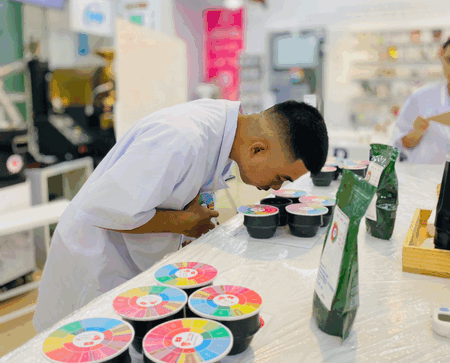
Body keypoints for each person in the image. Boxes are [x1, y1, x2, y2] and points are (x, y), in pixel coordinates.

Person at [33, 98, 328, 332]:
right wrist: (183, 223)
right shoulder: (182, 139)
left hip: (126, 260)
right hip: (94, 263)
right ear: (258, 149)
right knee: (78, 355)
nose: (276, 187)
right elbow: (111, 210)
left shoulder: (223, 133)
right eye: (281, 177)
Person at [391, 38, 450, 164]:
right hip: (426, 174)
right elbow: (401, 143)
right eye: (449, 60)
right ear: (442, 58)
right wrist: (417, 133)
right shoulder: (420, 98)